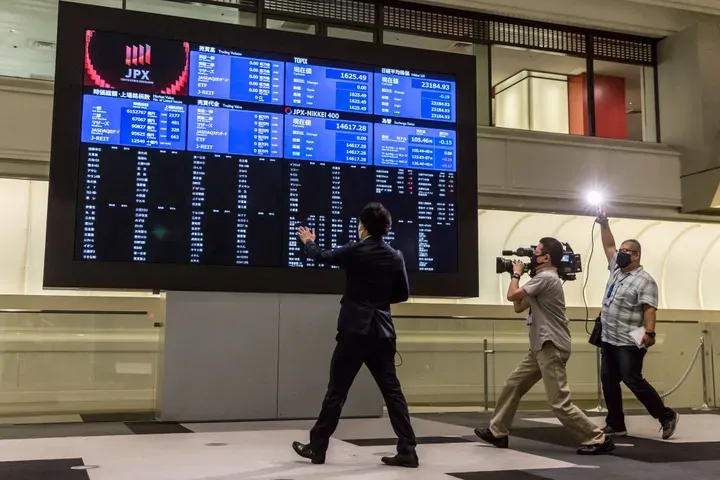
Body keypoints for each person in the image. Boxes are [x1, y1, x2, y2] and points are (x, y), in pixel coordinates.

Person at [292, 202, 419, 468]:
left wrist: (309, 242)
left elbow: (324, 257)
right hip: (382, 332)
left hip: (354, 331)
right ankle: (407, 449)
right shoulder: (395, 255)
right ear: (386, 228)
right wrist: (380, 302)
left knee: (336, 391)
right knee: (392, 392)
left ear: (362, 226)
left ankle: (317, 448)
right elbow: (403, 294)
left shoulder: (356, 250)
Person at [475, 238, 615, 455]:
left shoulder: (547, 278)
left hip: (550, 346)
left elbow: (512, 295)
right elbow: (518, 306)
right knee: (513, 384)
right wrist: (522, 279)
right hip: (541, 346)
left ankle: (597, 439)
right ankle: (498, 432)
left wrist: (515, 275)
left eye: (536, 252)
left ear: (546, 258)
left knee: (559, 402)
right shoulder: (542, 280)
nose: (532, 256)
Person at [596, 211, 679, 439]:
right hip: (609, 337)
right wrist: (604, 224)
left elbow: (649, 308)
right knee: (608, 380)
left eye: (626, 252)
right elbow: (609, 245)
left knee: (632, 379)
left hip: (630, 338)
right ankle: (615, 423)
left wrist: (650, 332)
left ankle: (665, 415)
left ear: (636, 256)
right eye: (621, 251)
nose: (620, 254)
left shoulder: (645, 280)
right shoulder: (616, 269)